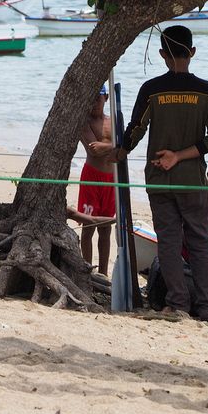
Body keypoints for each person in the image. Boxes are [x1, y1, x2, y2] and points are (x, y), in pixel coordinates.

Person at [93, 25, 208, 320]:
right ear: (192, 52)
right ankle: (207, 307)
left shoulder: (152, 90)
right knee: (200, 242)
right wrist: (181, 156)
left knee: (168, 242)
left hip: (159, 178)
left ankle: (178, 303)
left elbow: (135, 131)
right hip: (192, 181)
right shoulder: (207, 92)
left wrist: (117, 152)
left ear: (162, 54)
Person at [77, 85, 115, 276]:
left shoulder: (113, 121)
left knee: (106, 228)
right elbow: (94, 149)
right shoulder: (85, 121)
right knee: (88, 225)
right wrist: (115, 146)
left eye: (98, 98)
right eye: (91, 98)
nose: (94, 103)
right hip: (92, 176)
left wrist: (110, 146)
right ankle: (86, 268)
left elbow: (125, 146)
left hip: (111, 179)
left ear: (106, 98)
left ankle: (103, 273)